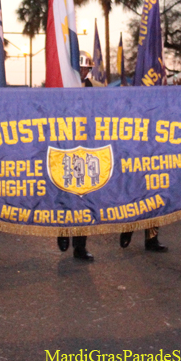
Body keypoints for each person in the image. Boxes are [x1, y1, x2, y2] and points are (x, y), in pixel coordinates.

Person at [57, 51, 100, 261]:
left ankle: (80, 246)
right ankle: (63, 232)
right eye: (80, 68)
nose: (83, 71)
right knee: (64, 193)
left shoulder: (97, 90)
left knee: (84, 197)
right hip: (65, 148)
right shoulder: (62, 87)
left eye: (86, 68)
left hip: (88, 150)